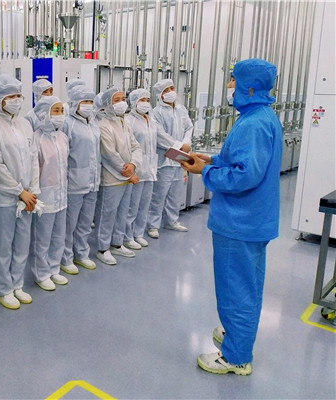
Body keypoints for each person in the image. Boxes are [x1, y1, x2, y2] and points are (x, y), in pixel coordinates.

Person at [180, 59, 282, 375]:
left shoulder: (253, 124)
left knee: (235, 288)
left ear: (249, 87)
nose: (229, 86)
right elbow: (240, 161)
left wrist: (205, 171)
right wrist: (212, 159)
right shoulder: (258, 116)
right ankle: (237, 334)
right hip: (252, 220)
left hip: (240, 221)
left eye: (233, 80)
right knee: (246, 284)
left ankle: (236, 357)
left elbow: (244, 176)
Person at [0, 74, 40, 310]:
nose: (16, 100)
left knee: (22, 243)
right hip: (3, 197)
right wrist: (19, 191)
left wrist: (32, 189)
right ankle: (3, 288)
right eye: (11, 96)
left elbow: (33, 157)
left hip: (27, 196)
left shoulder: (24, 124)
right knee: (2, 245)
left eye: (18, 95)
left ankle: (17, 284)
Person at [94, 87, 142, 265]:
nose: (122, 103)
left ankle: (117, 243)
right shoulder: (103, 125)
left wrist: (133, 165)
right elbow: (109, 154)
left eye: (123, 99)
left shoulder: (124, 123)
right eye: (117, 100)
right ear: (107, 104)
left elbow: (136, 147)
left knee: (122, 213)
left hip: (128, 177)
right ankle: (102, 248)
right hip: (112, 178)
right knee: (107, 214)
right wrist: (128, 172)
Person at [28, 96, 69, 290]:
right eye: (56, 111)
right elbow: (34, 169)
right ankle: (41, 273)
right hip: (44, 194)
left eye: (62, 111)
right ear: (44, 113)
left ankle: (54, 268)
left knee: (58, 235)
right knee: (42, 237)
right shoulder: (36, 138)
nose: (60, 115)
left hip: (62, 193)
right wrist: (35, 193)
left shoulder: (62, 137)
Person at [60, 85, 100, 274]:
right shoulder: (67, 123)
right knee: (69, 224)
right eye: (85, 101)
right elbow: (63, 155)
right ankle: (65, 257)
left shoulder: (93, 123)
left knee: (85, 222)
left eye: (91, 101)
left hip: (93, 180)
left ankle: (82, 253)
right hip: (74, 181)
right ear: (75, 102)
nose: (88, 105)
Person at [147, 78, 193, 239]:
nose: (170, 92)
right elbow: (159, 136)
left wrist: (186, 143)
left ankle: (172, 221)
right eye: (165, 90)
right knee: (159, 194)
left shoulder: (181, 109)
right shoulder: (156, 113)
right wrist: (179, 146)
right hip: (164, 159)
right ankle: (153, 224)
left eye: (171, 88)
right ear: (160, 95)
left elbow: (189, 127)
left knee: (175, 192)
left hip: (180, 159)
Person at [123, 88, 163, 249]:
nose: (145, 103)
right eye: (142, 100)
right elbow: (129, 147)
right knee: (132, 206)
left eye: (147, 100)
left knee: (144, 204)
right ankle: (127, 236)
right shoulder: (129, 121)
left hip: (151, 168)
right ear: (134, 102)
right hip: (137, 169)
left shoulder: (151, 120)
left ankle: (138, 233)